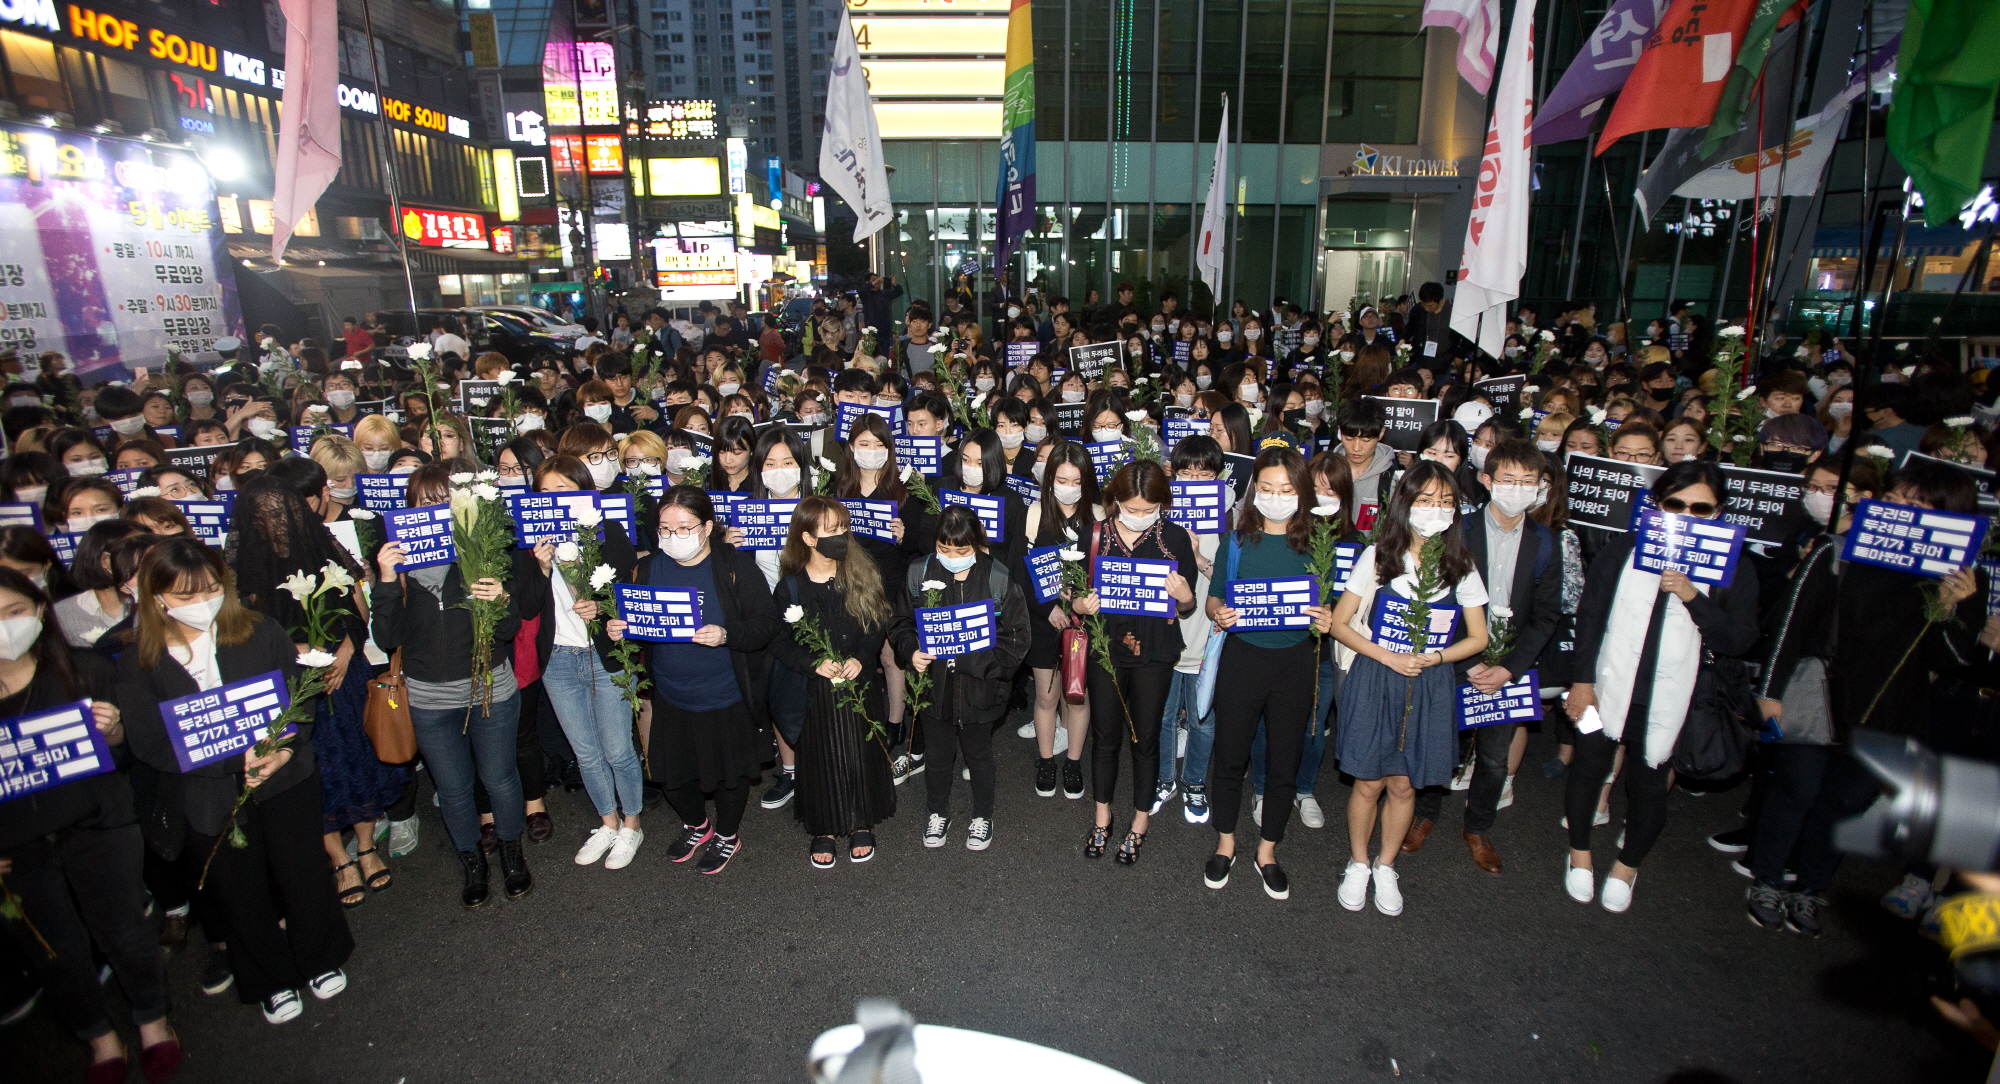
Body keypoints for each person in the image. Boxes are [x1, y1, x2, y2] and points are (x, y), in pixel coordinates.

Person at [116, 538, 355, 1025]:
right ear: (155, 596)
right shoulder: (138, 663)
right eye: (185, 595)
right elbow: (151, 743)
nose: (201, 602)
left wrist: (283, 748)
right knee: (239, 890)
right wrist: (231, 764)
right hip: (209, 792)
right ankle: (268, 979)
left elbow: (299, 699)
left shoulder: (260, 631)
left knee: (302, 870)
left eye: (209, 589)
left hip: (285, 777)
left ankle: (319, 955)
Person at [0, 567, 184, 1080]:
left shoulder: (85, 670)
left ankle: (152, 1021)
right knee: (53, 952)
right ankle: (100, 1039)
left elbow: (131, 747)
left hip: (98, 824)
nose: (3, 627)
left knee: (124, 931)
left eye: (13, 613)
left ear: (39, 612)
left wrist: (116, 730)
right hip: (15, 847)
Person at [1564, 460, 1761, 913]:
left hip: (1677, 699)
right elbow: (1590, 618)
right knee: (1589, 769)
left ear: (1719, 512)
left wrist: (1694, 596)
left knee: (1649, 785)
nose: (1687, 516)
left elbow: (1738, 639)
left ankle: (1627, 867)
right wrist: (1581, 680)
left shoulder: (1736, 567)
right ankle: (1578, 854)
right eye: (1676, 505)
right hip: (1607, 688)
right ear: (1657, 505)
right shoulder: (1623, 550)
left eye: (1701, 508)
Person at [225, 475, 400, 910]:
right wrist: (295, 653)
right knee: (312, 766)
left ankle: (365, 844)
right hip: (289, 684)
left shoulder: (323, 547)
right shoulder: (243, 570)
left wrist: (342, 651)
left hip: (344, 672)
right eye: (265, 516)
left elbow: (358, 607)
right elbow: (240, 633)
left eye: (282, 512)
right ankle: (337, 857)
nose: (277, 523)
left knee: (358, 753)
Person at [1329, 462, 1491, 916]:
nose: (1435, 510)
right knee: (1368, 781)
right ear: (1405, 503)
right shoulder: (1380, 556)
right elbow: (1340, 624)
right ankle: (1358, 862)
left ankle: (1386, 864)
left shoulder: (1461, 565)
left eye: (1445, 502)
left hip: (1429, 683)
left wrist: (1435, 658)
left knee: (1403, 785)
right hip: (1378, 676)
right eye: (1425, 500)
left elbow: (1478, 637)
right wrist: (1387, 655)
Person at [370, 464, 532, 908]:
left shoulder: (483, 553)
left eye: (447, 500)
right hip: (428, 699)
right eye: (426, 502)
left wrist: (500, 599)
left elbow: (508, 631)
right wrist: (385, 581)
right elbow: (386, 640)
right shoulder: (399, 568)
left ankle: (512, 855)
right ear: (410, 510)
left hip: (490, 691)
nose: (436, 510)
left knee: (499, 779)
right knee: (455, 788)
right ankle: (472, 861)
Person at [1403, 440, 1563, 875]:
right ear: (1488, 480)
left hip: (1510, 666)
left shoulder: (1546, 542)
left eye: (1528, 482)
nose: (1518, 489)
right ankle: (1424, 814)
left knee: (1494, 756)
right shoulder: (1459, 530)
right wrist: (1467, 660)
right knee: (1440, 744)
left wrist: (1508, 668)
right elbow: (1438, 600)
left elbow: (1548, 615)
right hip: (1454, 656)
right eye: (1509, 480)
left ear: (1540, 488)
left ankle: (1478, 827)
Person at [611, 487, 779, 875]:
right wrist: (623, 628)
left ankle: (727, 834)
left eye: (684, 527)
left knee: (729, 775)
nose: (673, 536)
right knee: (671, 776)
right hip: (671, 693)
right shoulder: (649, 568)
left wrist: (727, 634)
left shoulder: (735, 566)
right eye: (665, 528)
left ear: (706, 527)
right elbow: (641, 622)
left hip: (725, 694)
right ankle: (697, 825)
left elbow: (766, 624)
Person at [1201, 448, 1336, 899]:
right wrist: (1219, 613)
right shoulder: (1236, 542)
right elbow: (1213, 598)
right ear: (1254, 490)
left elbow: (1332, 604)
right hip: (1243, 659)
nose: (1276, 497)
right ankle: (1225, 843)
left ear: (1302, 493)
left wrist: (1327, 618)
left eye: (1286, 490)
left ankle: (1268, 851)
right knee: (1230, 756)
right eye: (1267, 489)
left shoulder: (1319, 545)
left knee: (1283, 760)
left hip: (1295, 662)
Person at [1070, 460, 1199, 864]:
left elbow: (1189, 604)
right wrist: (1080, 604)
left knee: (1146, 738)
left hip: (1155, 652)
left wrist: (1183, 596)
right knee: (1105, 736)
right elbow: (1070, 593)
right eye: (1131, 507)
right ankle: (1102, 816)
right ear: (1115, 500)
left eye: (1149, 509)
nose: (1139, 516)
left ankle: (1140, 821)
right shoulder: (1092, 535)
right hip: (1106, 652)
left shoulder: (1175, 538)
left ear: (1163, 503)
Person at [768, 498, 909, 867]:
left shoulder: (860, 575)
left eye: (843, 528)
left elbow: (876, 623)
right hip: (814, 692)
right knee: (820, 756)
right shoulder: (790, 588)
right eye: (831, 530)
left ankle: (861, 819)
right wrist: (813, 663)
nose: (841, 536)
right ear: (808, 538)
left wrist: (861, 659)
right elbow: (779, 642)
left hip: (858, 683)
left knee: (859, 752)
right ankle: (824, 827)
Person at [523, 456, 646, 869]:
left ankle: (632, 823)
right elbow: (523, 607)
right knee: (586, 751)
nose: (554, 500)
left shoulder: (607, 531)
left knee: (616, 747)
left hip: (603, 654)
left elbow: (630, 596)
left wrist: (594, 592)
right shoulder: (529, 544)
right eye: (545, 493)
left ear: (584, 492)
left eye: (564, 491)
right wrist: (541, 568)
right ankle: (607, 822)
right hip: (557, 657)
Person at [894, 506, 1031, 850]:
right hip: (933, 689)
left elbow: (1017, 640)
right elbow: (899, 622)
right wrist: (911, 650)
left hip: (980, 690)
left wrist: (973, 661)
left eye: (962, 550)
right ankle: (938, 812)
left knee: (979, 755)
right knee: (939, 756)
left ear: (978, 545)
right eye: (944, 549)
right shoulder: (918, 572)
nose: (952, 557)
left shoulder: (997, 578)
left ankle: (983, 815)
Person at [1023, 440, 1100, 799]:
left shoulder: (1099, 518)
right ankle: (1044, 760)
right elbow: (1017, 575)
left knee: (1078, 697)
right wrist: (1048, 608)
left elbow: (1107, 573)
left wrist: (1081, 606)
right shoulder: (1034, 514)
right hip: (1044, 621)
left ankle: (1072, 761)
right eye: (1061, 479)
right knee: (1046, 696)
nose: (1068, 488)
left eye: (1076, 481)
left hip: (1086, 623)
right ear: (1049, 478)